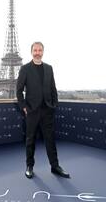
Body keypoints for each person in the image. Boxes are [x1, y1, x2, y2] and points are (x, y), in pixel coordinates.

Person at [16, 41, 70, 179]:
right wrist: (24, 107)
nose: (37, 52)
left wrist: (54, 105)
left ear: (43, 52)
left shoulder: (49, 68)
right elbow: (19, 90)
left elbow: (53, 88)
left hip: (47, 110)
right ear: (31, 52)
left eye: (40, 50)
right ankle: (29, 166)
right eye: (35, 50)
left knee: (50, 140)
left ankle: (55, 166)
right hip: (32, 111)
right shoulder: (25, 69)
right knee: (30, 140)